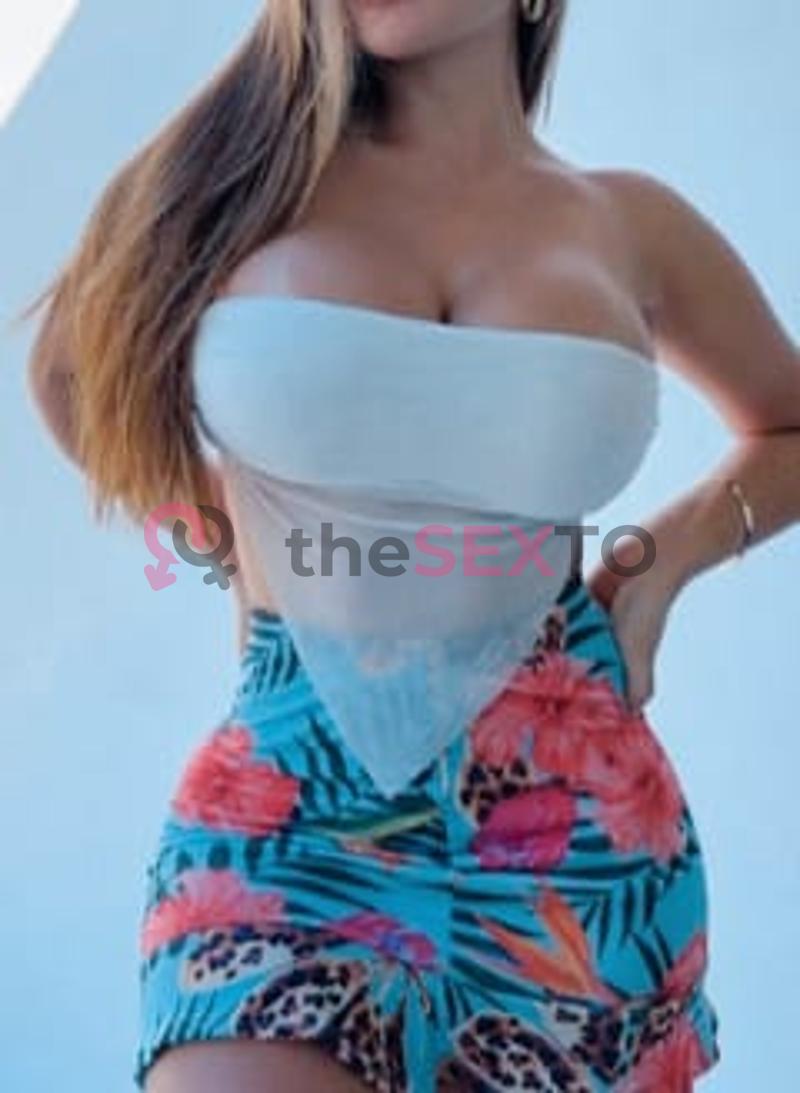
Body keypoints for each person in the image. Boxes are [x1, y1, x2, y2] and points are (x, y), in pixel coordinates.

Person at [26, 1, 800, 1091]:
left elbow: (787, 425)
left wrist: (659, 563)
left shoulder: (629, 225)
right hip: (290, 813)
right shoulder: (235, 179)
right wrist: (234, 550)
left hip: (576, 849)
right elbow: (73, 374)